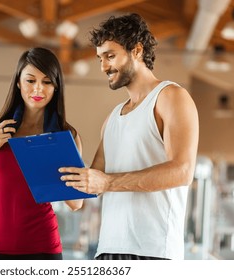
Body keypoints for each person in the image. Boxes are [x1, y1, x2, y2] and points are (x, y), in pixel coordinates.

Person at [59, 13, 199, 260]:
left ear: (136, 51)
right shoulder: (112, 118)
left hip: (153, 253)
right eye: (100, 58)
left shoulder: (170, 97)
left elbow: (183, 171)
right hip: (108, 251)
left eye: (110, 56)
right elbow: (86, 192)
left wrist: (108, 182)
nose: (103, 66)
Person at [0, 47, 83, 260]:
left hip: (42, 247)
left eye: (47, 82)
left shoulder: (67, 136)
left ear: (56, 87)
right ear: (18, 83)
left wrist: (61, 162)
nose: (38, 89)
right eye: (30, 81)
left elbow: (76, 204)